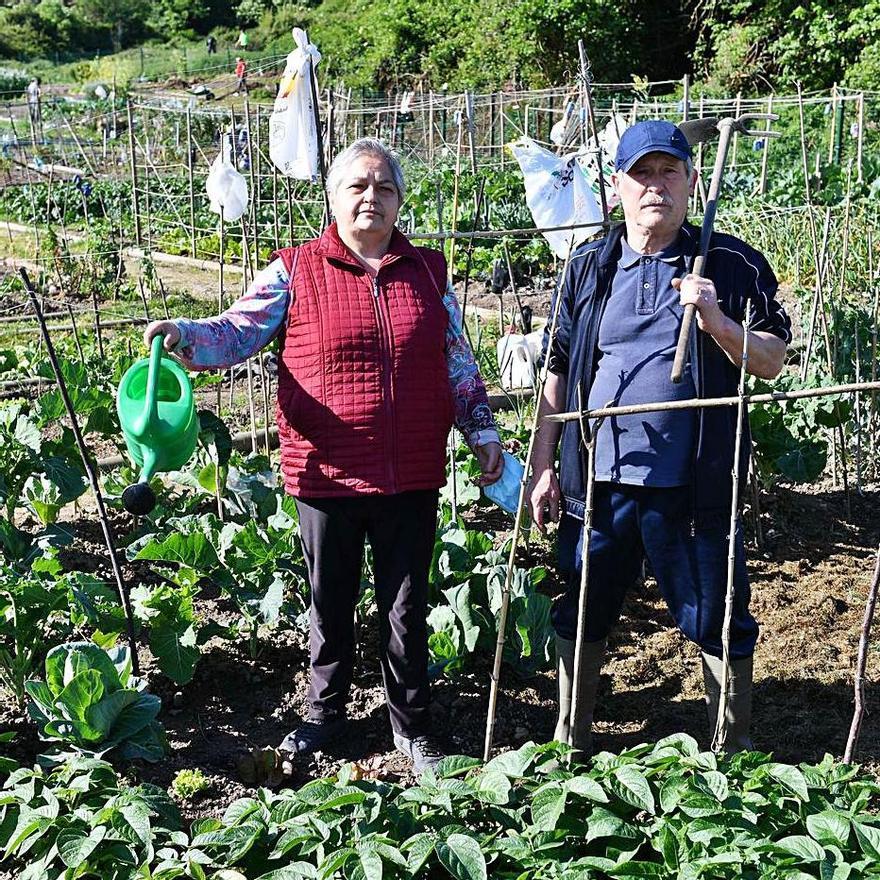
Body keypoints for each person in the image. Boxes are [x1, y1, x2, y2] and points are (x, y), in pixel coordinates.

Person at [143, 138, 503, 773]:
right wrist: (185, 338)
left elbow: (459, 363)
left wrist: (483, 435)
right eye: (357, 186)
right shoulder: (296, 270)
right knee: (329, 606)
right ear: (333, 199)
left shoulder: (427, 272)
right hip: (328, 473)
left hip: (410, 473)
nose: (371, 197)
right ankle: (323, 716)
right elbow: (237, 330)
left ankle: (412, 729)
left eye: (384, 188)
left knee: (406, 608)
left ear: (399, 201)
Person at [528, 120, 791, 756]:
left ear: (691, 182)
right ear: (617, 187)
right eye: (641, 174)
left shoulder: (728, 262)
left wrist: (716, 320)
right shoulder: (589, 266)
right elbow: (559, 370)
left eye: (668, 173)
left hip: (693, 481)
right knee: (583, 606)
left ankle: (732, 751)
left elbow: (772, 359)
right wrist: (542, 467)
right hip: (598, 478)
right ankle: (572, 740)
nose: (655, 187)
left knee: (716, 615)